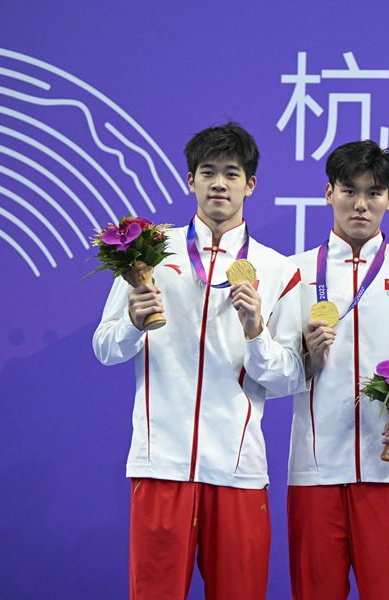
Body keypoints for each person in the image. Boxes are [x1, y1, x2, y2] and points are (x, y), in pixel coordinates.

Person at [92, 122, 305, 599]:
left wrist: (256, 333)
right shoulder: (148, 252)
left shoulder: (278, 270)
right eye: (208, 172)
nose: (219, 184)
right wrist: (131, 324)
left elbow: (290, 376)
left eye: (232, 173)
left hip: (237, 469)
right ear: (190, 180)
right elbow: (105, 347)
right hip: (160, 466)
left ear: (251, 184)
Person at [285, 140, 389, 600]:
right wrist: (305, 359)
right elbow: (274, 372)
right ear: (329, 193)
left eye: (374, 192)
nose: (361, 204)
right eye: (349, 190)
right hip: (315, 470)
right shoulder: (294, 273)